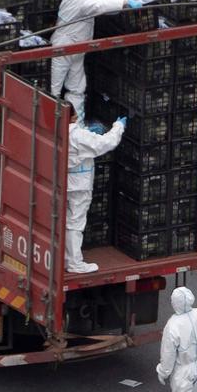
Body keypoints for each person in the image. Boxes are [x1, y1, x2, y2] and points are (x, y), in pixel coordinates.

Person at [51, 0, 136, 116]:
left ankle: (76, 120)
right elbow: (96, 5)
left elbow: (93, 2)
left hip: (77, 46)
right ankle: (54, 117)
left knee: (77, 84)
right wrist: (124, 1)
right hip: (64, 45)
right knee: (55, 86)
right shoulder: (78, 0)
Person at [65, 113, 125, 273]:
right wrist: (118, 126)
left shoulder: (56, 130)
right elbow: (107, 142)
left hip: (62, 183)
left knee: (61, 221)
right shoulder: (78, 135)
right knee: (75, 223)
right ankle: (74, 263)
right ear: (71, 117)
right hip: (79, 186)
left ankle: (64, 258)